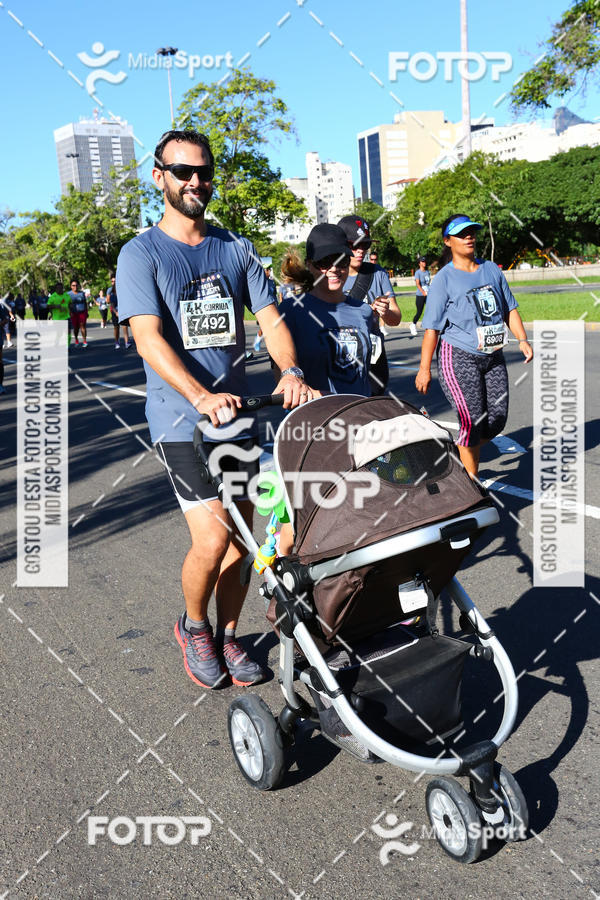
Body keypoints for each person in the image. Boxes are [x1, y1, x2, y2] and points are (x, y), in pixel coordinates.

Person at [116, 128, 314, 691]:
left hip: (240, 417)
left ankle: (229, 634)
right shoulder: (141, 254)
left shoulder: (235, 248)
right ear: (160, 178)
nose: (195, 181)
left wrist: (290, 371)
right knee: (213, 538)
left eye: (203, 172)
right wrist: (200, 395)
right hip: (181, 419)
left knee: (248, 537)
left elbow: (271, 319)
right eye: (183, 172)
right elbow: (149, 338)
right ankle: (195, 625)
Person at [276, 223, 379, 555]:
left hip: (359, 433)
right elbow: (281, 374)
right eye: (324, 262)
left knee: (362, 521)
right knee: (296, 531)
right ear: (310, 264)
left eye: (341, 260)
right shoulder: (292, 312)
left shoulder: (363, 312)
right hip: (311, 435)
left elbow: (371, 373)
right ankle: (282, 589)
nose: (334, 269)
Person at [415, 213, 533, 479]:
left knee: (496, 419)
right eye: (461, 233)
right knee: (471, 420)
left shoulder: (491, 270)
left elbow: (509, 309)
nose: (469, 237)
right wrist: (424, 368)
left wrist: (523, 339)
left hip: (493, 356)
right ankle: (472, 483)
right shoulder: (444, 279)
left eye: (472, 232)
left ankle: (457, 455)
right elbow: (432, 328)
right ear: (448, 241)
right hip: (458, 356)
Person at [337, 215, 401, 393]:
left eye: (365, 245)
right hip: (340, 358)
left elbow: (396, 319)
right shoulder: (330, 276)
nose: (360, 251)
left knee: (374, 411)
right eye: (354, 245)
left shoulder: (378, 274)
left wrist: (385, 312)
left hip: (374, 359)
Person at [107, 274, 132, 349]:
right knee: (116, 327)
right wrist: (115, 312)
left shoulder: (122, 288)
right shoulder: (109, 290)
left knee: (125, 326)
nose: (113, 282)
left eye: (115, 281)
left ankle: (127, 342)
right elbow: (109, 302)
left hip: (123, 310)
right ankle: (117, 342)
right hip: (114, 310)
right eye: (112, 281)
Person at [411, 256, 430, 336]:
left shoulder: (427, 272)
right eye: (422, 262)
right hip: (420, 295)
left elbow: (428, 283)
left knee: (430, 310)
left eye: (425, 261)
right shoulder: (418, 273)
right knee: (419, 312)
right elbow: (418, 284)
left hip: (428, 294)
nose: (424, 263)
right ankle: (413, 325)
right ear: (419, 263)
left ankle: (428, 326)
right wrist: (423, 292)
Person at [68, 278, 89, 347]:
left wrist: (86, 311)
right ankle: (76, 339)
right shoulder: (68, 294)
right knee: (76, 327)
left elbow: (85, 303)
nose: (75, 287)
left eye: (76, 285)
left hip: (82, 312)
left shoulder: (82, 294)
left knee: (83, 326)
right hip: (73, 313)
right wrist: (69, 312)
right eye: (73, 285)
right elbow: (67, 304)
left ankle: (84, 341)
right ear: (71, 286)